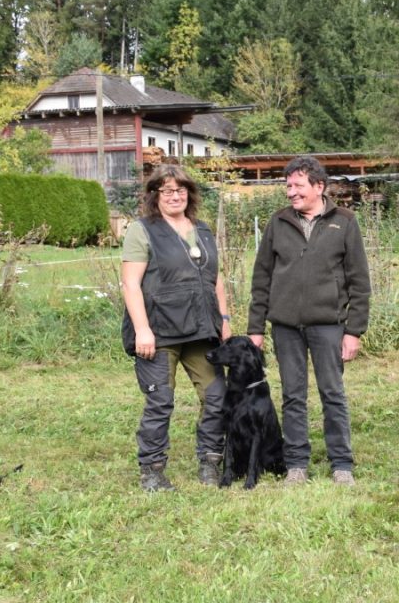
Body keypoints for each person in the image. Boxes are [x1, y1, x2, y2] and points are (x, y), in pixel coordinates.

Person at [248, 157, 371, 486]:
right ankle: (296, 463)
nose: (291, 192)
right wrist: (256, 328)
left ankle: (341, 463)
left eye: (298, 185)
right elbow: (261, 278)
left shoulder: (344, 222)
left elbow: (359, 281)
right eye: (287, 186)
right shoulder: (277, 222)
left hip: (328, 325)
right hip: (286, 326)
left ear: (319, 187)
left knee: (333, 392)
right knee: (292, 394)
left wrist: (353, 331)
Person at [121, 165, 232, 492]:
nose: (174, 195)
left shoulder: (203, 230)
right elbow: (130, 284)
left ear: (190, 194)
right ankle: (152, 471)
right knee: (161, 401)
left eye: (180, 189)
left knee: (217, 397)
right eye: (166, 190)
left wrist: (224, 320)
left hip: (202, 330)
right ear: (154, 195)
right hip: (159, 332)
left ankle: (211, 461)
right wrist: (142, 329)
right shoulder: (142, 230)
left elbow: (217, 279)